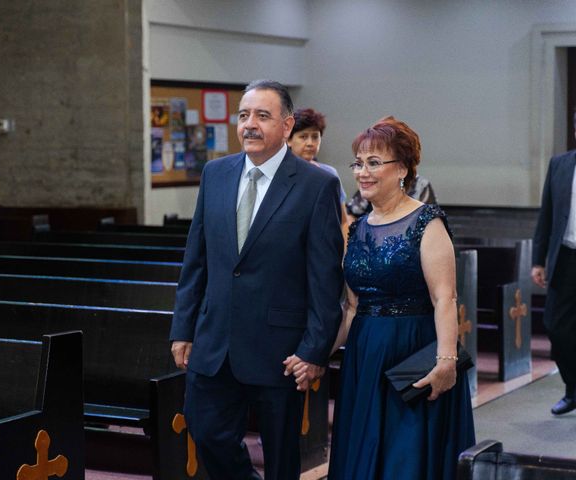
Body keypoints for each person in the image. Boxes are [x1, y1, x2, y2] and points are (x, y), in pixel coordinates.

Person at [169, 79, 344, 480]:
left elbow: (324, 278)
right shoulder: (216, 173)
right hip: (215, 343)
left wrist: (315, 350)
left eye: (262, 116)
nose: (250, 124)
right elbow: (196, 261)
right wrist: (184, 328)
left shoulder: (317, 185)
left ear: (286, 125)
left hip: (279, 349)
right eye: (244, 115)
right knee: (206, 430)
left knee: (281, 457)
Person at [313, 116, 475, 479]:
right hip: (365, 356)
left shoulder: (426, 222)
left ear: (402, 168)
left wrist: (446, 360)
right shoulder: (356, 230)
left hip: (413, 351)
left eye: (374, 162)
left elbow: (445, 298)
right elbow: (352, 307)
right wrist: (316, 354)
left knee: (407, 457)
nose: (362, 172)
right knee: (365, 450)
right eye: (358, 162)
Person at [531, 114, 576, 415]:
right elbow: (546, 215)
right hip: (567, 257)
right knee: (556, 327)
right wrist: (538, 260)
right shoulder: (560, 164)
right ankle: (572, 388)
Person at [286, 108, 351, 234]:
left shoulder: (329, 173)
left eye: (315, 137)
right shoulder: (278, 173)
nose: (310, 143)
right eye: (303, 137)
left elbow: (343, 222)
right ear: (289, 140)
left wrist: (343, 251)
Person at [346, 173, 437, 217]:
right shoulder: (371, 183)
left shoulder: (420, 185)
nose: (363, 173)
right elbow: (351, 215)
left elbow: (429, 222)